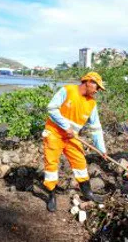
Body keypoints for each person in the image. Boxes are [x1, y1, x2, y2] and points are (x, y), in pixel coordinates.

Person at [42, 72, 107, 212]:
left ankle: (88, 193)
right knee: (51, 164)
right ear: (88, 82)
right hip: (54, 133)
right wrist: (66, 126)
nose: (97, 91)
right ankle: (51, 195)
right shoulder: (68, 90)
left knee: (80, 163)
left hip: (72, 137)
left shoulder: (92, 103)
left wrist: (101, 149)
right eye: (97, 87)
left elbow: (96, 127)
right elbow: (51, 108)